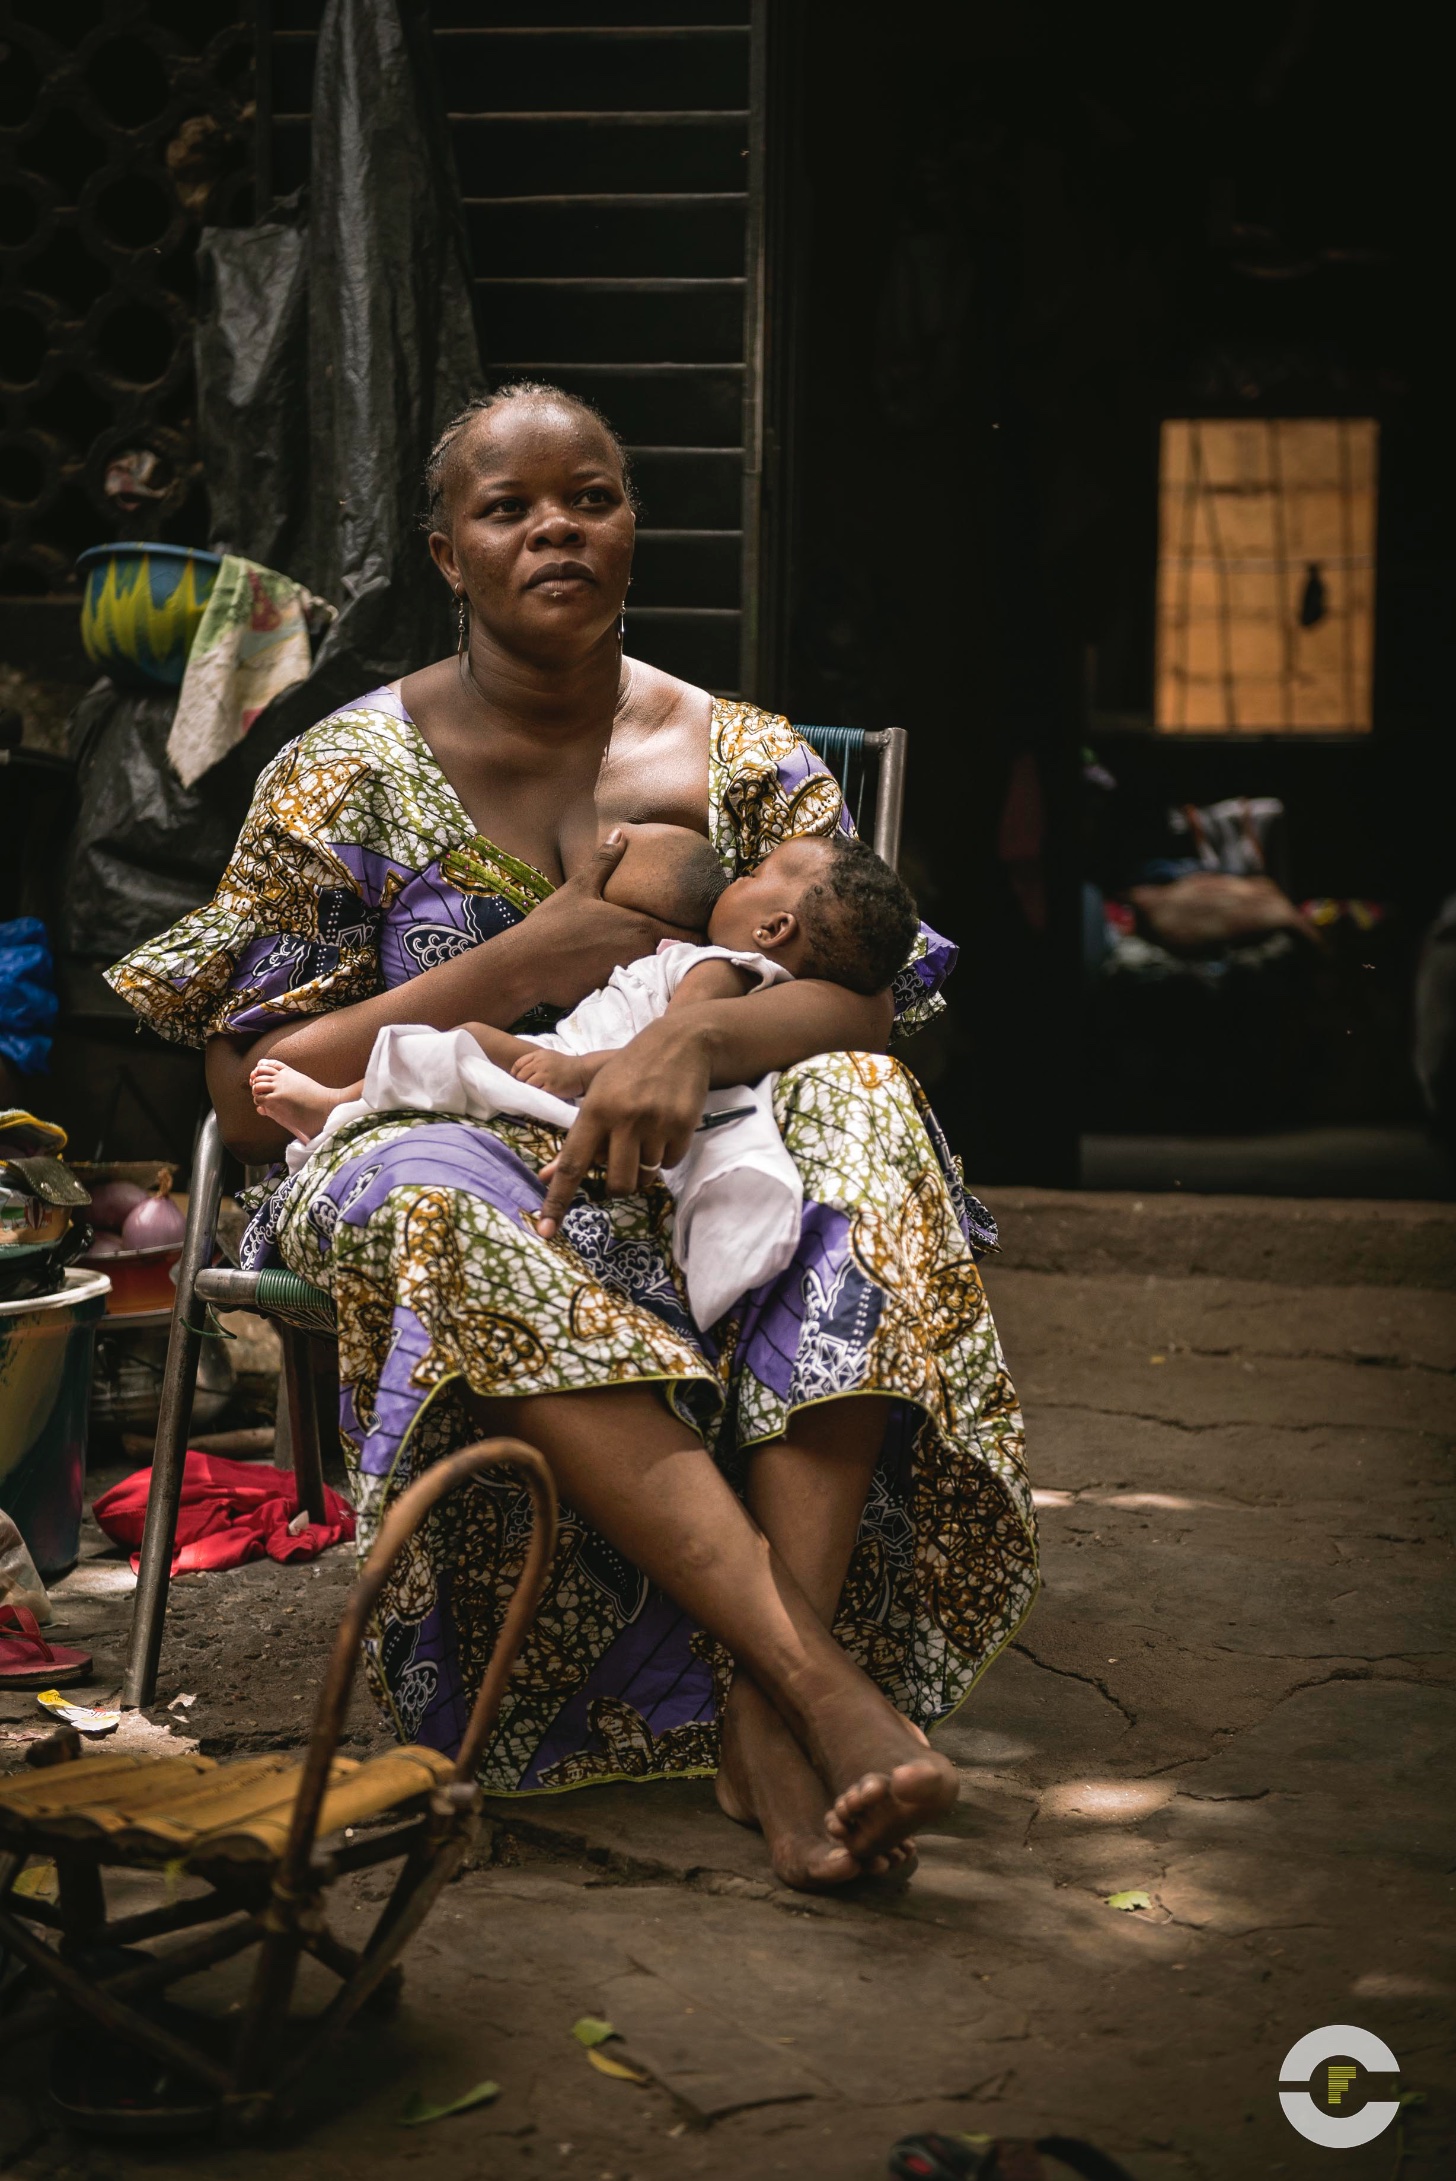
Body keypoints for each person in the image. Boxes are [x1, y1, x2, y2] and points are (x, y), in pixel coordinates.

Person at [108, 381, 1037, 1893]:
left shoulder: (741, 760)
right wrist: (526, 963)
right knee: (437, 1196)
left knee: (868, 1111)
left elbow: (871, 1010)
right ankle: (817, 1689)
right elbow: (248, 1088)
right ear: (446, 553)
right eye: (508, 508)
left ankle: (758, 1704)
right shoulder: (341, 772)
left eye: (591, 496)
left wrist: (695, 1031)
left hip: (709, 1156)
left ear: (632, 526)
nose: (556, 526)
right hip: (410, 1143)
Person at [246, 823, 919, 1328]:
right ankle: (338, 1110)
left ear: (774, 927)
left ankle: (335, 1106)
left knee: (469, 1046)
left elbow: (657, 1050)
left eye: (754, 872)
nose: (735, 875)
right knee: (456, 1065)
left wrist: (573, 1068)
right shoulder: (713, 962)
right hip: (565, 1076)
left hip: (581, 1088)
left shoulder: (719, 969)